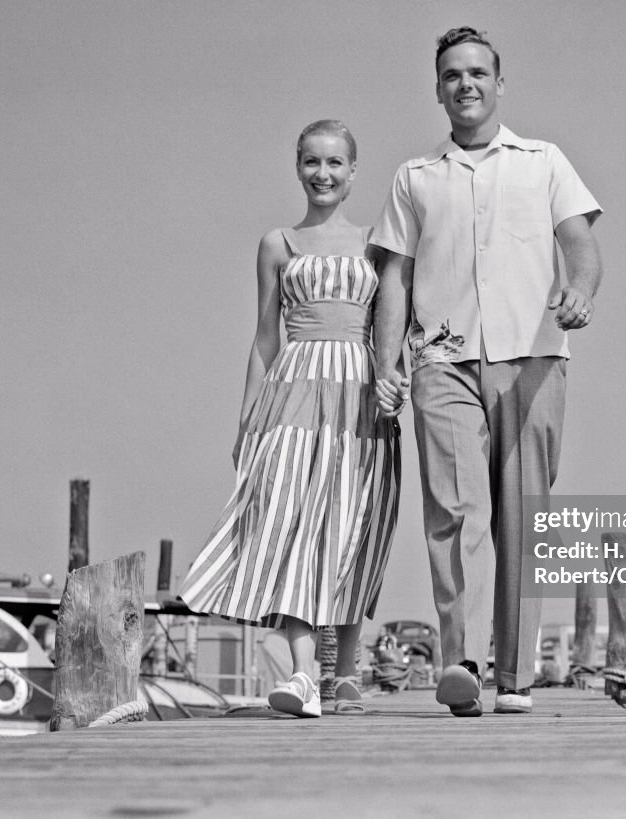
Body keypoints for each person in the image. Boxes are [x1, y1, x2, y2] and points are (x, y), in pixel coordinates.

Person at [371, 27, 603, 716]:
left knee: (522, 516)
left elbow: (581, 246)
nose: (465, 83)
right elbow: (394, 279)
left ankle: (516, 674)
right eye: (451, 75)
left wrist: (581, 291)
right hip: (441, 360)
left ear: (500, 83)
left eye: (477, 72)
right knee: (456, 507)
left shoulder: (545, 162)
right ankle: (464, 661)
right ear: (437, 89)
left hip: (532, 359)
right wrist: (387, 364)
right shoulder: (414, 178)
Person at [180, 120, 406, 718]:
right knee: (291, 524)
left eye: (335, 163)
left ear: (354, 171)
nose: (323, 174)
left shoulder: (379, 241)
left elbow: (393, 325)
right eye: (312, 162)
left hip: (360, 397)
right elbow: (263, 339)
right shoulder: (277, 243)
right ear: (297, 167)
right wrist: (246, 420)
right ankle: (307, 674)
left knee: (354, 525)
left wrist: (393, 381)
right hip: (292, 398)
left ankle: (347, 672)